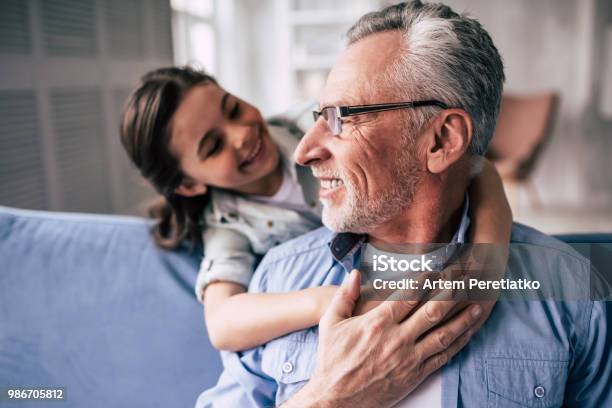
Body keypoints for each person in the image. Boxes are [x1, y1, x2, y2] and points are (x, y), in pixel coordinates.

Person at [195, 1, 611, 407]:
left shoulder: (565, 290)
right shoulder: (279, 278)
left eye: (342, 116)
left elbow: (480, 172)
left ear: (442, 140)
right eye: (319, 115)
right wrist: (330, 398)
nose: (303, 152)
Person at [119, 66, 511, 352]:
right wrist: (326, 301)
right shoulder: (227, 227)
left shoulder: (319, 119)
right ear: (189, 184)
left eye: (233, 109)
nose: (242, 135)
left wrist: (488, 264)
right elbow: (222, 324)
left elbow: (476, 167)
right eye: (213, 146)